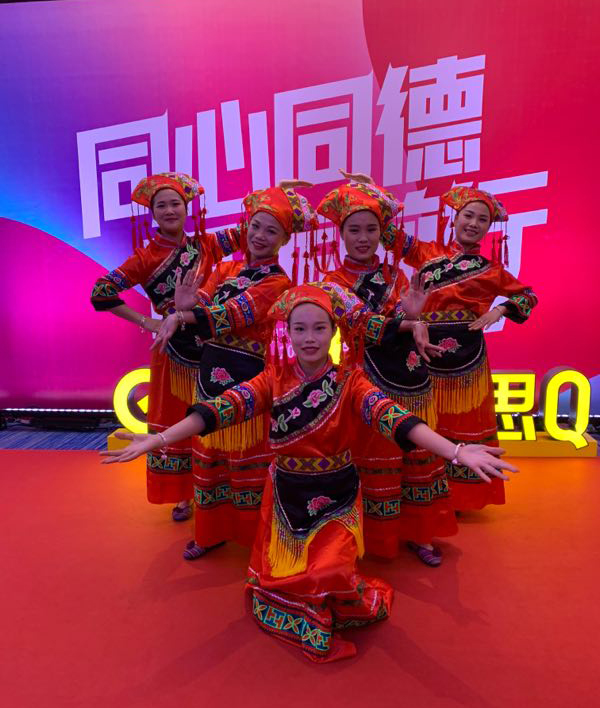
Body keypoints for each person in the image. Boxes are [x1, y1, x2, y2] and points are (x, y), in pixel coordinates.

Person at [101, 283, 517, 663]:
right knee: (291, 581)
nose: (310, 338)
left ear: (334, 332)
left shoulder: (351, 381)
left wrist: (456, 451)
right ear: (288, 333)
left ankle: (316, 596)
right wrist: (157, 440)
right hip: (285, 497)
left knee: (329, 573)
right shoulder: (272, 379)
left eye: (320, 328)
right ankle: (300, 599)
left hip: (338, 496)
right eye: (300, 329)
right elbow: (220, 410)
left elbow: (397, 419)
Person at [153, 183, 318, 558]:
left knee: (247, 462)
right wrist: (183, 307)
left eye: (271, 231)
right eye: (255, 226)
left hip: (248, 380)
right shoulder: (225, 267)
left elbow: (233, 314)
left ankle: (254, 538)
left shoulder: (278, 282)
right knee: (209, 459)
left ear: (284, 240)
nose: (260, 236)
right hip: (209, 371)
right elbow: (202, 302)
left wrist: (186, 316)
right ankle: (209, 533)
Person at [319, 175, 456, 566]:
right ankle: (369, 537)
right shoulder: (332, 283)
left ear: (382, 233)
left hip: (411, 378)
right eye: (354, 230)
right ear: (341, 234)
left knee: (417, 456)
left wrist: (416, 318)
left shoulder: (397, 276)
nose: (363, 238)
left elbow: (409, 317)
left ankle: (419, 532)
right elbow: (359, 322)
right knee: (372, 459)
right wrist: (407, 322)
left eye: (371, 229)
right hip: (365, 378)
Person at [91, 172, 239, 520]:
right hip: (172, 351)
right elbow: (101, 293)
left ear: (187, 209)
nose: (170, 210)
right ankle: (182, 494)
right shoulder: (145, 258)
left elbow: (253, 230)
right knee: (176, 418)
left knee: (215, 415)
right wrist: (148, 321)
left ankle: (218, 487)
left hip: (213, 343)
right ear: (152, 213)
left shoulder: (207, 244)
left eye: (176, 204)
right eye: (162, 206)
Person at [391, 185, 537, 511]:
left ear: (489, 227)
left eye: (482, 219)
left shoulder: (491, 270)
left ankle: (458, 498)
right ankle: (421, 493)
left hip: (467, 359)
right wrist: (369, 192)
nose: (473, 223)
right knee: (422, 422)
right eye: (468, 216)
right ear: (454, 219)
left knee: (463, 422)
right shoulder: (425, 252)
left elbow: (528, 295)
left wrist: (500, 310)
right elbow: (388, 235)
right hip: (423, 349)